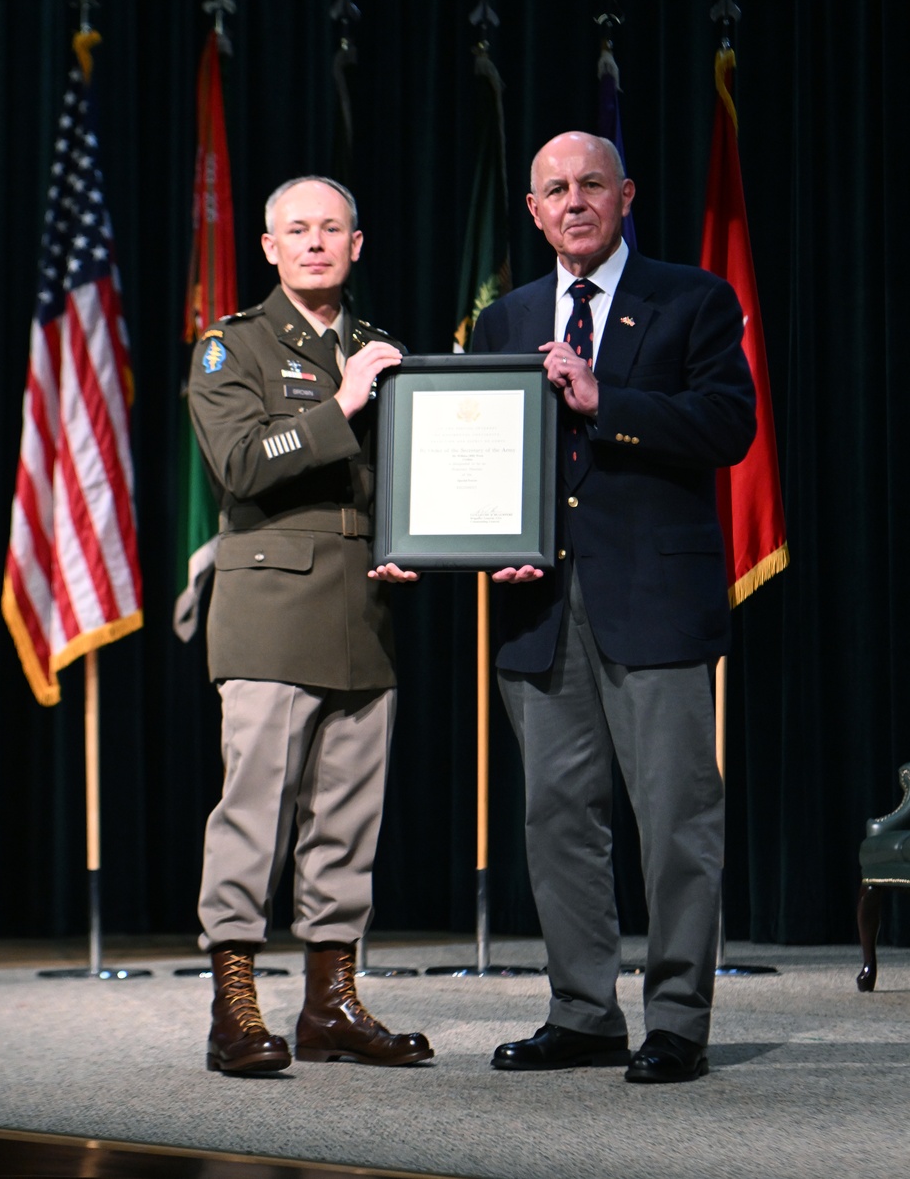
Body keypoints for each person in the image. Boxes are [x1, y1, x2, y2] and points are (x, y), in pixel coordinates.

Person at [471, 132, 756, 1083]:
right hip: (538, 607)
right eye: (554, 188)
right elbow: (486, 456)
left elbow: (729, 425)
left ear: (626, 194)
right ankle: (582, 1013)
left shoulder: (693, 298)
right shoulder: (503, 319)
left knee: (676, 817)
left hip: (655, 601)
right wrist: (486, 544)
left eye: (592, 183)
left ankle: (676, 1021)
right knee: (556, 820)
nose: (574, 200)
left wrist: (610, 398)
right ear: (533, 209)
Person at [188, 175, 432, 1074]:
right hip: (269, 610)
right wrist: (341, 407)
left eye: (333, 228)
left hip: (363, 608)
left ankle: (330, 1005)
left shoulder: (379, 347)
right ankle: (235, 1011)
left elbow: (409, 481)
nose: (317, 242)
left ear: (357, 245)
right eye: (298, 229)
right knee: (253, 817)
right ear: (269, 248)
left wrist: (420, 541)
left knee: (347, 820)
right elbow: (243, 465)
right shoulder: (232, 347)